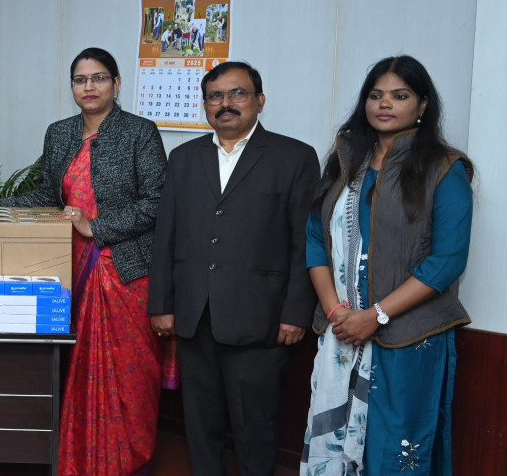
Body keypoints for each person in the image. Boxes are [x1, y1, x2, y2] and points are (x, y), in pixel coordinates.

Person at [0, 47, 167, 475]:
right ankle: (77, 459)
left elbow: (158, 201)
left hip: (125, 273)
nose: (89, 86)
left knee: (129, 375)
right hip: (68, 268)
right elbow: (45, 195)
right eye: (80, 79)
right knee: (74, 367)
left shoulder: (140, 132)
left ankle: (129, 463)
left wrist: (96, 225)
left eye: (99, 78)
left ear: (116, 84)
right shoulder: (59, 133)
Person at [300, 56, 473, 475]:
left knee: (394, 450)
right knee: (332, 444)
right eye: (376, 95)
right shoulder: (345, 161)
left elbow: (447, 260)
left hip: (409, 338)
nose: (385, 104)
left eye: (400, 95)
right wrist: (337, 312)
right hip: (342, 333)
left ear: (423, 105)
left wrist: (375, 316)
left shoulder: (443, 169)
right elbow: (316, 239)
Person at [148, 61, 320, 476]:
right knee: (199, 423)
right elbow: (166, 234)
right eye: (215, 96)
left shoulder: (294, 157)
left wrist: (296, 312)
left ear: (260, 100)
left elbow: (306, 241)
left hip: (262, 319)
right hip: (195, 315)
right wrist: (162, 304)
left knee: (255, 426)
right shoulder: (184, 158)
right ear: (205, 105)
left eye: (238, 93)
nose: (226, 103)